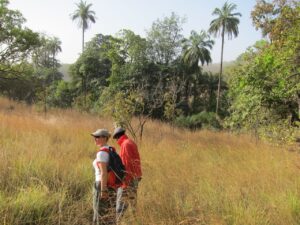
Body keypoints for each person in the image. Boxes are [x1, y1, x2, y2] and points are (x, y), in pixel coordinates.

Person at [112, 127, 142, 221]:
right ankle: (136, 222)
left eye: (116, 139)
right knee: (133, 205)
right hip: (135, 177)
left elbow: (126, 164)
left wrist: (124, 182)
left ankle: (118, 222)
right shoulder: (130, 142)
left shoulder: (125, 145)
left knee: (120, 207)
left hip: (128, 179)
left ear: (117, 137)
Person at [91, 128, 119, 225]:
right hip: (111, 185)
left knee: (99, 213)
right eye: (95, 137)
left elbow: (103, 173)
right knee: (110, 214)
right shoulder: (111, 150)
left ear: (105, 138)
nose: (95, 138)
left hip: (101, 184)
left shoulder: (101, 153)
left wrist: (103, 190)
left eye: (97, 137)